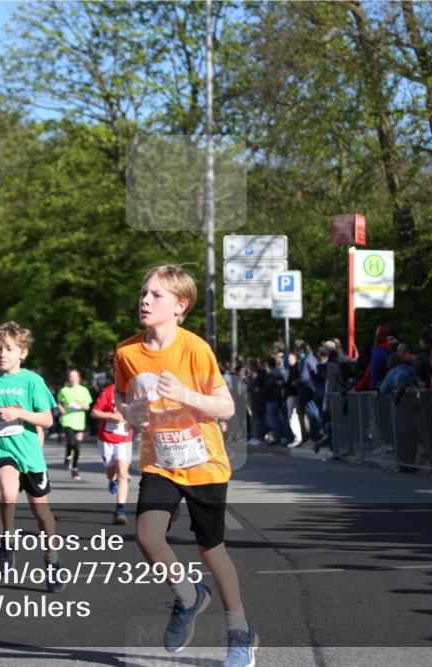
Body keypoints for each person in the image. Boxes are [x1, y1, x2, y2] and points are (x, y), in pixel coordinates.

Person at [115, 265, 258, 666]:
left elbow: (226, 406)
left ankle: (240, 632)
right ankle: (189, 596)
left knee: (211, 550)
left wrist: (185, 393)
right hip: (160, 461)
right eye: (143, 292)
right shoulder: (127, 352)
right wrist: (132, 413)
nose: (145, 300)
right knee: (147, 535)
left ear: (180, 305)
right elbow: (123, 404)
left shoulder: (194, 348)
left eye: (155, 295)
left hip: (204, 463)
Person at [0, 321, 67, 591]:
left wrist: (20, 414)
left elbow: (48, 419)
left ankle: (52, 558)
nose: (2, 354)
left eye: (8, 349)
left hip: (30, 455)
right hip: (1, 450)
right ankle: (7, 547)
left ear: (22, 352)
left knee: (43, 515)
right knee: (6, 490)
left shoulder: (31, 381)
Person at [91, 382, 133, 524]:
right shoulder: (109, 391)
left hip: (125, 439)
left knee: (122, 472)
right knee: (111, 470)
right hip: (106, 438)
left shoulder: (135, 393)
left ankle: (120, 510)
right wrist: (111, 415)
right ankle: (112, 480)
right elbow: (94, 412)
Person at [57, 368, 92, 480]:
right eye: (70, 376)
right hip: (67, 420)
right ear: (69, 378)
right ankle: (68, 458)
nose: (72, 378)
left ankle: (74, 466)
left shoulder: (84, 390)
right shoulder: (64, 390)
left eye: (75, 376)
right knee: (71, 441)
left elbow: (87, 407)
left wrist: (80, 404)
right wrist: (61, 408)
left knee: (76, 446)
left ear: (79, 378)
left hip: (79, 422)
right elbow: (59, 403)